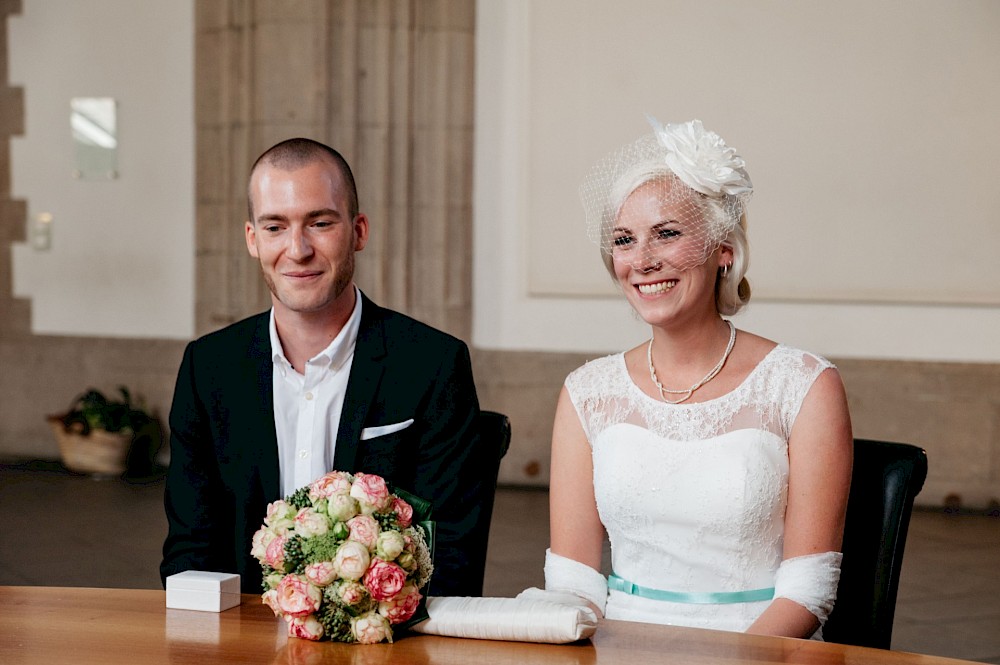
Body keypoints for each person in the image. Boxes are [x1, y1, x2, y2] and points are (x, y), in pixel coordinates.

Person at [543, 118, 853, 639]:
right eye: (624, 240)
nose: (642, 260)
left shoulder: (803, 385)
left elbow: (809, 590)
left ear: (724, 249)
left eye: (667, 233)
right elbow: (573, 581)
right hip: (616, 646)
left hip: (758, 646)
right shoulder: (587, 393)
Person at [161, 138, 493, 596]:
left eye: (319, 223)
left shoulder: (433, 364)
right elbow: (191, 547)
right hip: (244, 641)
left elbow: (451, 555)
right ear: (253, 240)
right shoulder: (208, 368)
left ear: (358, 231)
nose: (297, 250)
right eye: (275, 227)